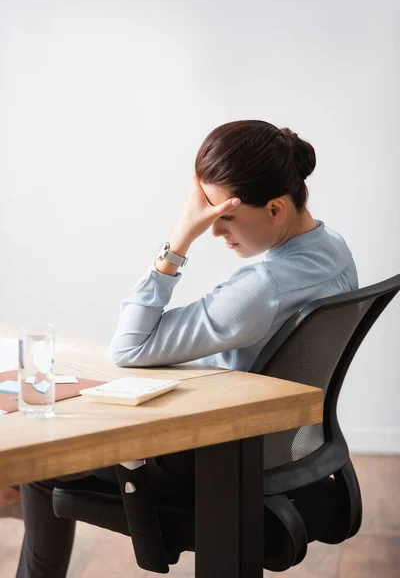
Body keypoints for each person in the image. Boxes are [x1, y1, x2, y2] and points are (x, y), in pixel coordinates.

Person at [17, 120, 358, 577]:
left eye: (224, 217)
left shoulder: (262, 288)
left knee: (41, 461)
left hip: (211, 454)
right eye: (205, 216)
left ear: (276, 209)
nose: (215, 231)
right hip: (279, 449)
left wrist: (178, 240)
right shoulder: (333, 248)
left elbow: (130, 346)